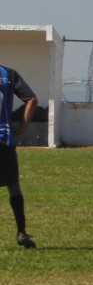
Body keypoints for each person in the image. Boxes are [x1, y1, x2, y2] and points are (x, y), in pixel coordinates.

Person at [1, 63, 38, 248]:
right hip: (4, 140)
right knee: (13, 186)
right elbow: (32, 99)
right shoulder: (7, 74)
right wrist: (23, 127)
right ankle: (21, 233)